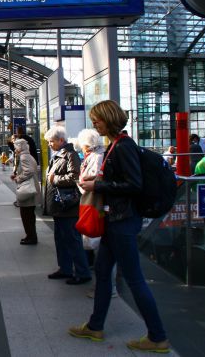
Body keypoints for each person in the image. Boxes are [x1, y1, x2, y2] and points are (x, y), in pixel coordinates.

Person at [69, 100, 169, 353]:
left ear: (110, 119)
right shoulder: (117, 145)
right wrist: (101, 178)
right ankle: (95, 326)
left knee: (134, 279)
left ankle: (157, 337)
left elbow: (134, 185)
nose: (94, 124)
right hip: (117, 220)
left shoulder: (123, 146)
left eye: (98, 120)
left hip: (122, 221)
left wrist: (98, 186)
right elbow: (124, 179)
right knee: (102, 272)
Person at [43, 126, 91, 285]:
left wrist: (54, 179)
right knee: (61, 239)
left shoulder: (70, 155)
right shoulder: (58, 155)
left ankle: (82, 272)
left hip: (68, 206)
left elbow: (74, 177)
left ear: (61, 140)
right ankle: (65, 268)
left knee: (72, 240)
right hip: (59, 206)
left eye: (51, 141)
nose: (49, 144)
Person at [76, 128, 118, 299]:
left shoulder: (97, 157)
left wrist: (82, 182)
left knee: (101, 250)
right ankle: (105, 286)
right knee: (101, 249)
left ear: (86, 144)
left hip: (97, 206)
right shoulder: (100, 155)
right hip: (97, 205)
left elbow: (93, 180)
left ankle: (107, 288)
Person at [11, 139, 39, 244]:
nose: (15, 149)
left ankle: (30, 237)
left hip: (27, 190)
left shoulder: (23, 157)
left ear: (20, 147)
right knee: (30, 215)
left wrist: (18, 178)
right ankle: (32, 235)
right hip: (32, 188)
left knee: (26, 215)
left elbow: (29, 171)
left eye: (15, 147)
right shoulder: (29, 156)